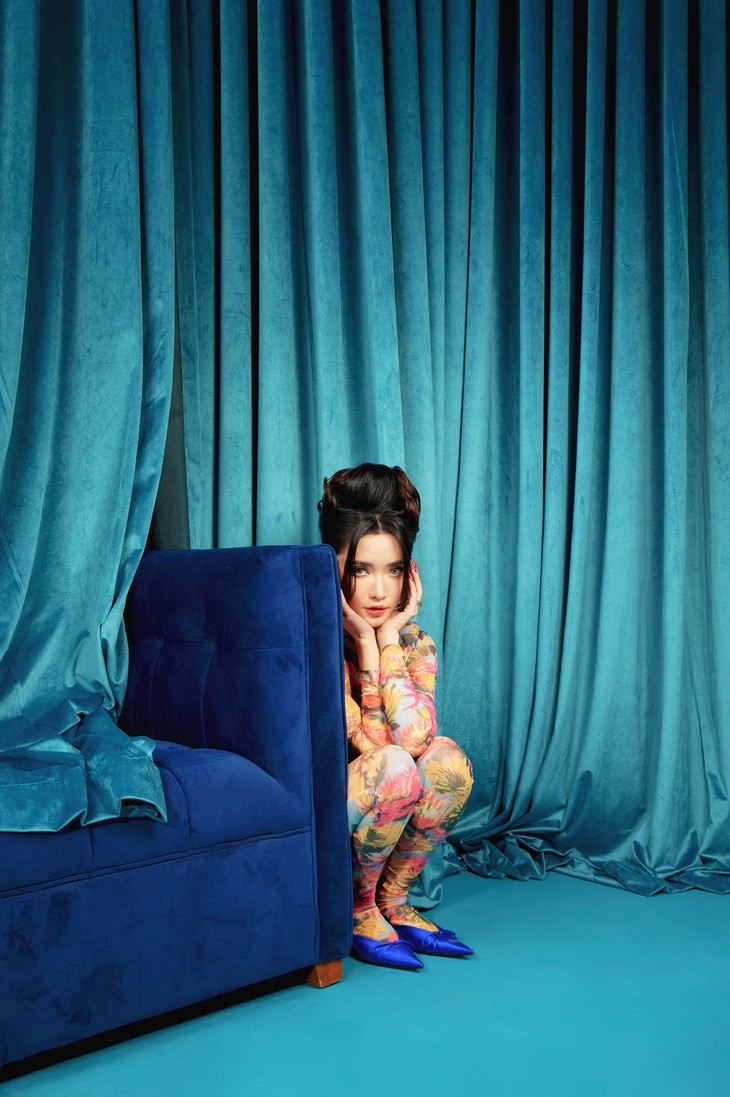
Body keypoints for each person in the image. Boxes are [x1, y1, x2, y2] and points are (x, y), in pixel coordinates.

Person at [318, 463, 474, 970]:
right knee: (396, 767)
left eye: (393, 570)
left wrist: (384, 640)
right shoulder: (313, 646)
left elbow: (416, 737)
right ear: (333, 567)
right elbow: (373, 749)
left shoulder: (413, 643)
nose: (379, 592)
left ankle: (393, 899)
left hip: (388, 783)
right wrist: (364, 647)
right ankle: (359, 909)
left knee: (448, 762)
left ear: (409, 573)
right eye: (361, 570)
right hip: (326, 802)